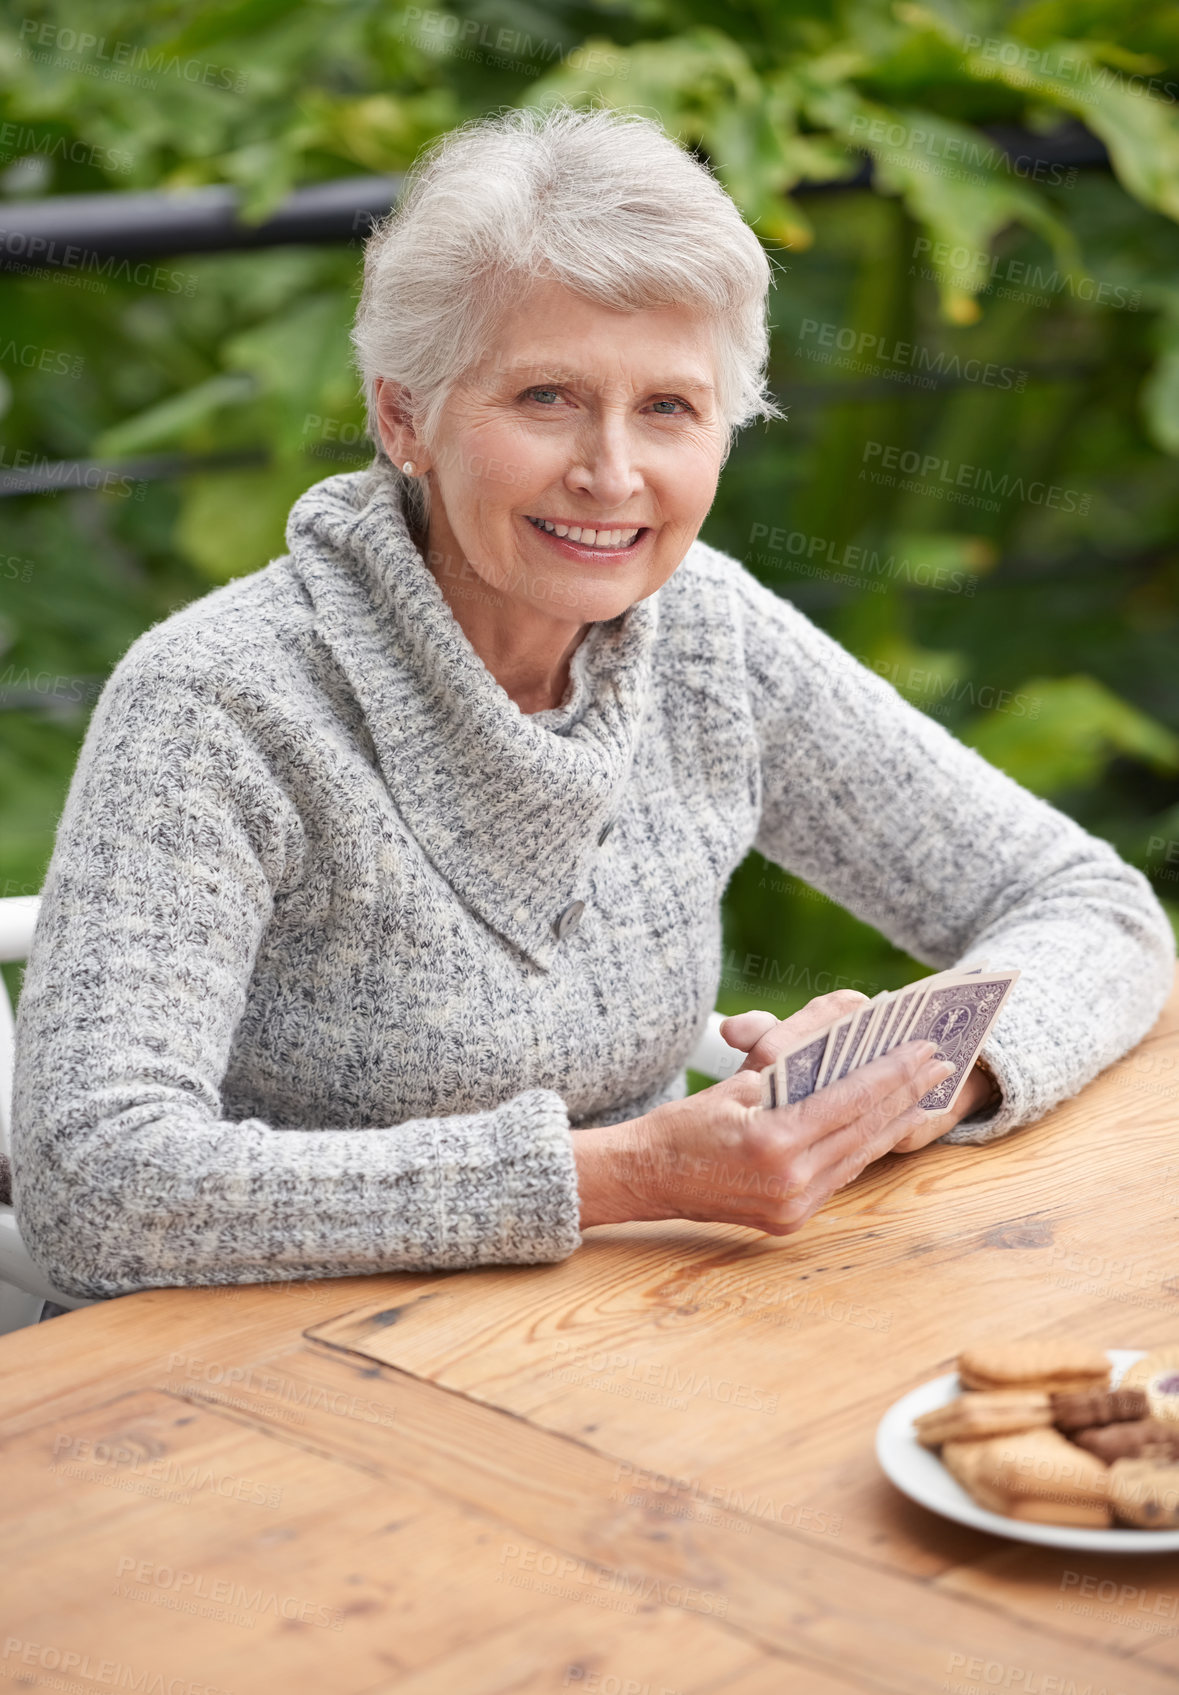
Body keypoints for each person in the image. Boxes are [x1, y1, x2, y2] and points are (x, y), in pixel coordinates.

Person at [11, 105, 1173, 1301]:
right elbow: (93, 1186)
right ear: (404, 415)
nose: (611, 473)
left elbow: (1089, 903)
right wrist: (623, 1176)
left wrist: (911, 1079)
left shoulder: (704, 633)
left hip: (608, 1334)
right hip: (234, 1378)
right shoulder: (218, 702)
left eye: (668, 409)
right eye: (548, 398)